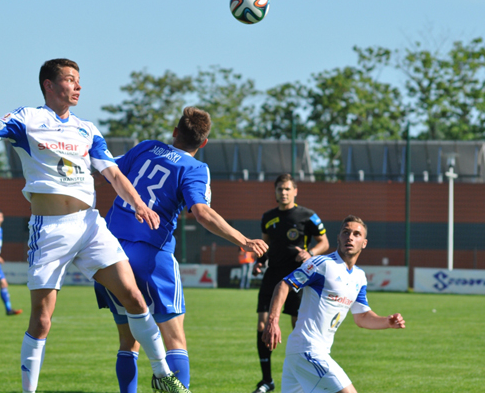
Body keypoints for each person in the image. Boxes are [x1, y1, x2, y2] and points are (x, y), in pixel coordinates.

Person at [0, 58, 190, 393]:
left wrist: (139, 205)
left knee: (134, 297)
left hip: (90, 226)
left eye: (79, 80)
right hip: (50, 230)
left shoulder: (88, 129)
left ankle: (163, 375)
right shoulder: (27, 119)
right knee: (42, 319)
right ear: (49, 85)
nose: (78, 86)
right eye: (70, 79)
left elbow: (113, 174)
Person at [94, 106, 268, 392]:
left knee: (128, 340)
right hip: (151, 255)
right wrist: (243, 241)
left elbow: (106, 172)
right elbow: (201, 212)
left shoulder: (146, 147)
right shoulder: (195, 168)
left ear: (175, 132)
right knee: (174, 337)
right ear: (204, 143)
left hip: (109, 251)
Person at [262, 215, 406, 393]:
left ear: (364, 243)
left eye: (356, 234)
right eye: (346, 232)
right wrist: (273, 321)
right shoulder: (321, 264)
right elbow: (284, 285)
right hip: (308, 350)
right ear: (338, 237)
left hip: (304, 354)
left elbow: (361, 317)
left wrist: (387, 322)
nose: (350, 237)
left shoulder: (359, 277)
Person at [252, 173, 329, 393]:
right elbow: (265, 245)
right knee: (263, 325)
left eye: (287, 189)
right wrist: (259, 262)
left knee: (298, 327)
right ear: (275, 192)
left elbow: (324, 242)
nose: (283, 193)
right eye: (280, 189)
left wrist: (310, 253)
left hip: (297, 278)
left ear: (295, 191)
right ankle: (267, 380)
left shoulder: (308, 216)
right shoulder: (268, 217)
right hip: (272, 275)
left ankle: (303, 376)